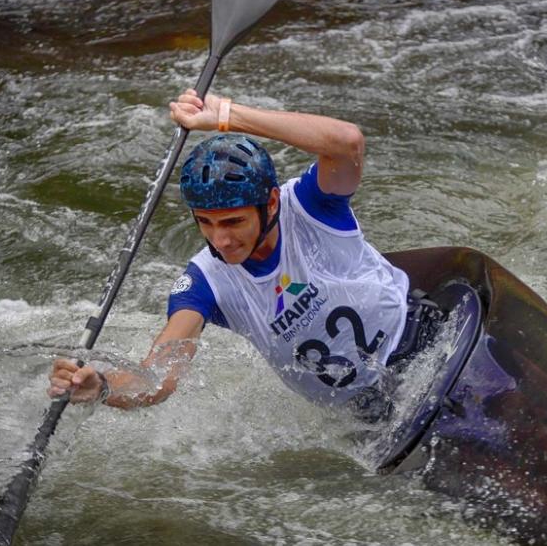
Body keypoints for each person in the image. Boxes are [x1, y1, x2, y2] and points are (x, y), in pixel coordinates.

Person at [48, 89, 440, 422]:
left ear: (269, 204)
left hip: (425, 346)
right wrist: (101, 385)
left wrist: (225, 115)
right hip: (365, 412)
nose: (220, 240)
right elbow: (158, 378)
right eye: (205, 222)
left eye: (234, 222)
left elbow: (347, 141)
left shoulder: (309, 206)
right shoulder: (203, 283)